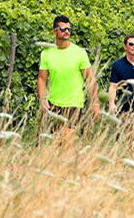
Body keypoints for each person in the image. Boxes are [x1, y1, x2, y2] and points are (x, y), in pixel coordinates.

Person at [37, 15, 99, 148]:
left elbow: (90, 79)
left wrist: (95, 103)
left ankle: (71, 167)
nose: (67, 31)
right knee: (57, 143)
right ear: (55, 31)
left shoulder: (79, 53)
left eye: (69, 29)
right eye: (63, 29)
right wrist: (42, 100)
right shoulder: (46, 53)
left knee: (68, 142)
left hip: (74, 105)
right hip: (54, 105)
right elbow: (42, 79)